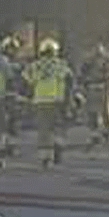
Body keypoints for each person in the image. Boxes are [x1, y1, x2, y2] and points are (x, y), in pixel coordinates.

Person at [23, 38, 74, 168]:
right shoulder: (61, 65)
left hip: (40, 101)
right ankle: (58, 145)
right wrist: (69, 99)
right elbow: (69, 80)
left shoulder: (34, 66)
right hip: (57, 100)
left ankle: (45, 157)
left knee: (43, 129)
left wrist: (29, 96)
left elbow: (27, 81)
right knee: (58, 126)